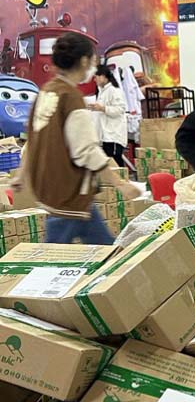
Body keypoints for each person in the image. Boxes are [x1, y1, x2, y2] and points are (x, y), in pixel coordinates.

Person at [18, 33, 139, 244]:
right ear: (84, 61)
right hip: (69, 194)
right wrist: (120, 184)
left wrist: (21, 175)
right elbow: (86, 151)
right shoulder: (72, 98)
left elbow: (32, 140)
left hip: (57, 192)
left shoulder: (46, 92)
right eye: (92, 60)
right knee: (57, 254)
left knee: (104, 248)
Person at [90, 64, 127, 167]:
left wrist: (103, 108)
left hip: (114, 135)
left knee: (116, 162)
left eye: (95, 77)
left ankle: (122, 177)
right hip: (105, 136)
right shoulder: (102, 92)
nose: (94, 80)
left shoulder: (114, 91)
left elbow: (120, 109)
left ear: (103, 76)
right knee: (109, 164)